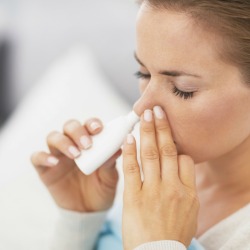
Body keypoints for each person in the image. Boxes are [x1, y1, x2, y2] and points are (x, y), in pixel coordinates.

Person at [31, 0, 250, 249]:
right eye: (143, 74)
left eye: (183, 90)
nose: (140, 107)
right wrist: (79, 223)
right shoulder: (145, 177)